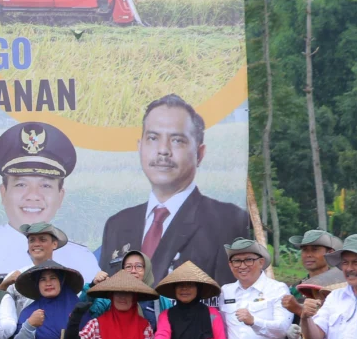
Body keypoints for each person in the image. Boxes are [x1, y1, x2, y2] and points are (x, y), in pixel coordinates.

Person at [99, 94, 250, 286]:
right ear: (140, 147)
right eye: (153, 138)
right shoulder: (117, 225)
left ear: (199, 153)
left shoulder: (227, 221)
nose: (163, 150)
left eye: (177, 140)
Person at [0, 121, 100, 305]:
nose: (33, 196)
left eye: (45, 185)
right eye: (21, 184)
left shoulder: (82, 259)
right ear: (3, 192)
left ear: (60, 196)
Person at [282, 230, 343, 317]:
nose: (308, 255)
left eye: (315, 250)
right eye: (305, 250)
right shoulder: (295, 289)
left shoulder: (340, 286)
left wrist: (299, 309)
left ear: (330, 253)